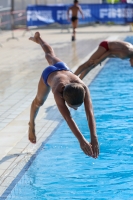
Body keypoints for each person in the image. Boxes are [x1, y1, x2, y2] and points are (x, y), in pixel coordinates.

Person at [28, 32, 99, 159]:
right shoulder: (57, 92)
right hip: (49, 75)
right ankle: (31, 124)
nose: (76, 109)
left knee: (49, 54)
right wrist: (81, 140)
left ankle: (39, 39)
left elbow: (90, 113)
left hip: (63, 68)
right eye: (73, 106)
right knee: (39, 102)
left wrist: (94, 137)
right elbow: (68, 118)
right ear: (65, 99)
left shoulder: (83, 87)